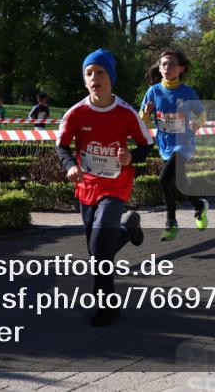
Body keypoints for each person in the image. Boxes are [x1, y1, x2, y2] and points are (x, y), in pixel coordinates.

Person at [56, 48, 152, 326]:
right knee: (97, 250)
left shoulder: (125, 112)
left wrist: (132, 156)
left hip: (116, 185)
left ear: (111, 78)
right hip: (87, 186)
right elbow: (61, 145)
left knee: (99, 245)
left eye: (100, 72)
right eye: (89, 73)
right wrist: (70, 166)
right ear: (84, 80)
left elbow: (146, 144)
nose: (94, 77)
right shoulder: (76, 113)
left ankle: (107, 307)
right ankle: (128, 229)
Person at [140, 49, 208, 242]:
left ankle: (171, 223)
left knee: (163, 180)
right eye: (163, 64)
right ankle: (199, 207)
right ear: (159, 68)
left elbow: (202, 114)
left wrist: (197, 123)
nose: (166, 67)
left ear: (181, 69)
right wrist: (146, 112)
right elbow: (142, 120)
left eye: (171, 64)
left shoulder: (187, 92)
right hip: (165, 145)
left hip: (183, 144)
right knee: (180, 182)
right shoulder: (153, 92)